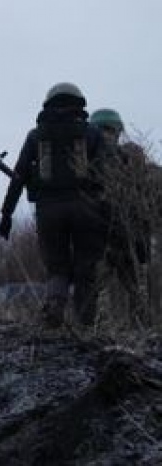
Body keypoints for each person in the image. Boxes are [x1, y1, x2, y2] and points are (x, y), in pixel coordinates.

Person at [0, 83, 108, 328]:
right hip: (86, 209)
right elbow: (105, 177)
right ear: (79, 103)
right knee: (85, 271)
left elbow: (19, 177)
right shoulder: (93, 134)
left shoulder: (36, 136)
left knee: (57, 269)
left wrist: (7, 214)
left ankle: (54, 315)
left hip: (48, 211)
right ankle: (86, 327)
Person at [90, 108, 152, 326]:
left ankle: (92, 329)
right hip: (131, 241)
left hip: (107, 238)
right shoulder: (138, 164)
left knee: (94, 290)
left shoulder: (93, 163)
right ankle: (140, 330)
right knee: (134, 289)